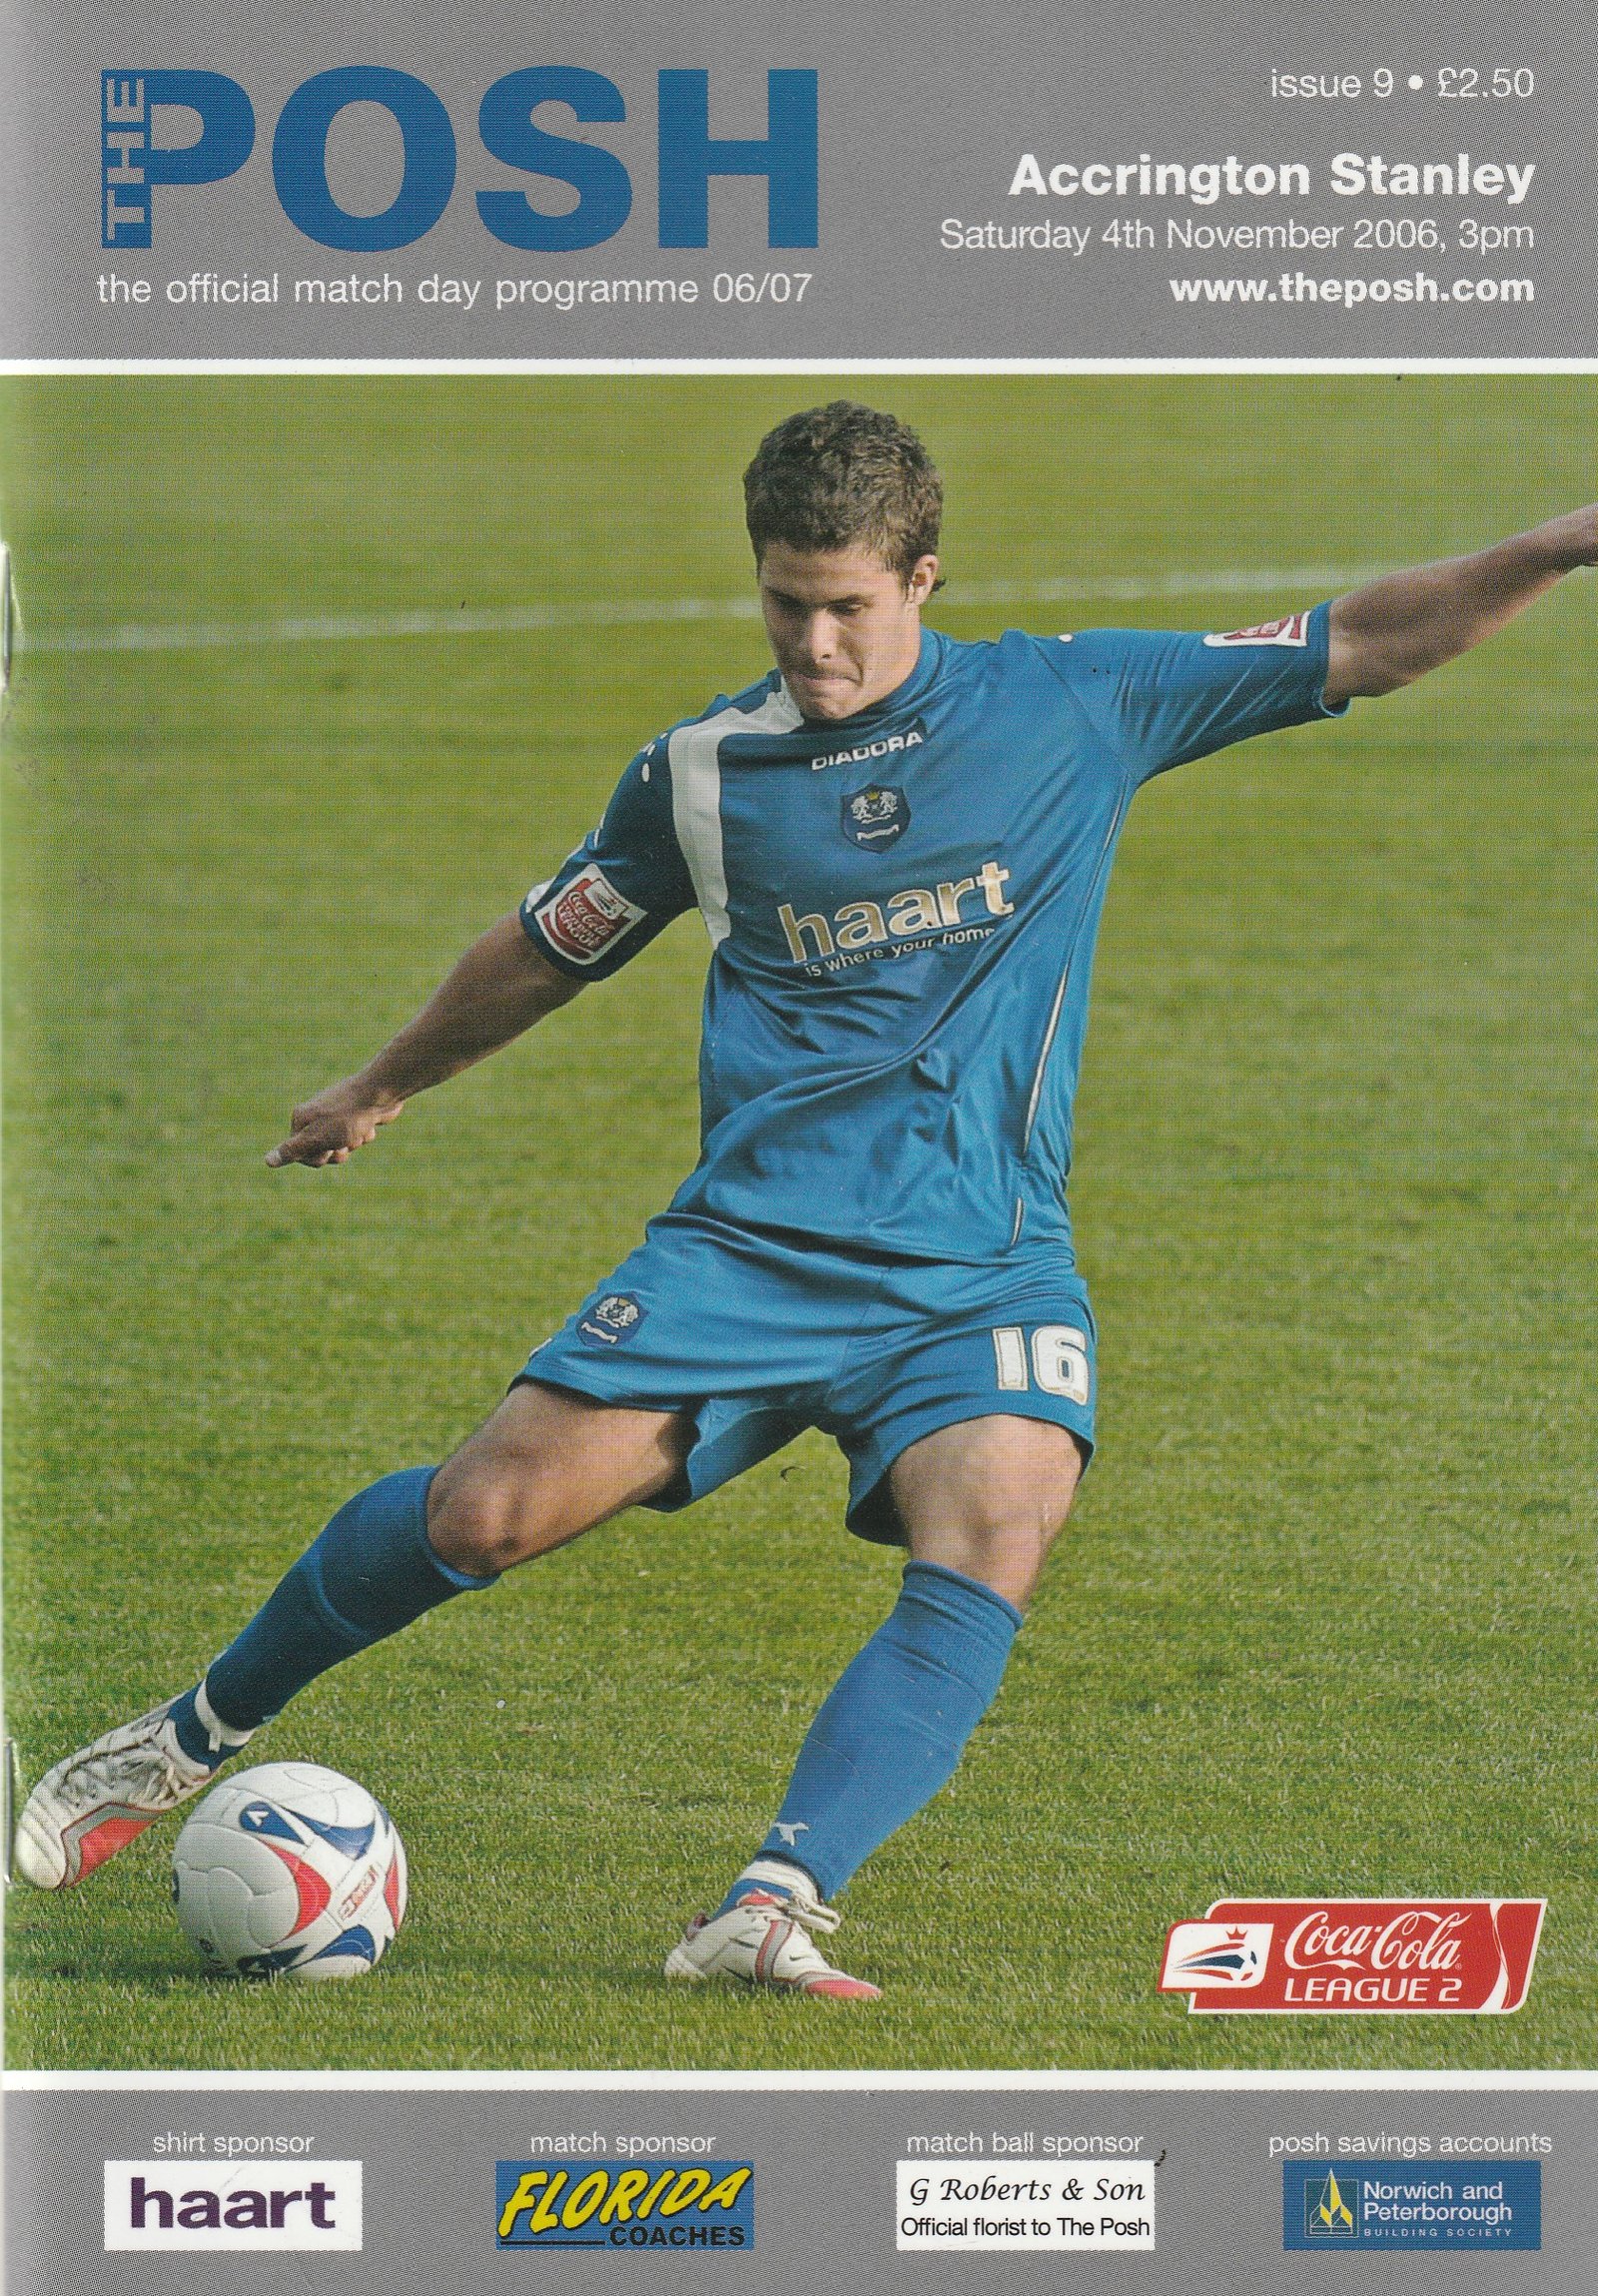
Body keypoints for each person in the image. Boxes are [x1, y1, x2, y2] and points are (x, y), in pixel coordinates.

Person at [13, 403, 1594, 1999]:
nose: (817, 646)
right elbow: (554, 945)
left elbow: (1365, 639)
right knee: (479, 1517)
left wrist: (1560, 540)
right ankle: (183, 1738)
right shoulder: (703, 773)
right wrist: (381, 1083)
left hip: (981, 1263)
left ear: (922, 578)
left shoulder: (1074, 704)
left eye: (848, 607)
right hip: (751, 1254)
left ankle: (770, 1903)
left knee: (1000, 1525)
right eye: (786, 605)